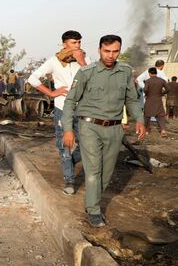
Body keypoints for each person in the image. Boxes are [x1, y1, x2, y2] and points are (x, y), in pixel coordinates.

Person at [62, 34, 146, 228]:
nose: (110, 55)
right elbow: (70, 101)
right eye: (106, 51)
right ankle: (93, 209)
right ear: (99, 50)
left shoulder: (125, 72)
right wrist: (68, 129)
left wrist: (139, 119)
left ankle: (92, 201)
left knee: (106, 174)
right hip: (89, 127)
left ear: (119, 51)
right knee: (93, 172)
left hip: (115, 129)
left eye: (115, 51)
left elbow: (132, 99)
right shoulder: (86, 72)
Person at [27, 30, 89, 195]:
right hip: (63, 108)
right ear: (64, 44)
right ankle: (69, 179)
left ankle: (68, 161)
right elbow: (33, 78)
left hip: (83, 108)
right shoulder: (54, 61)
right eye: (73, 43)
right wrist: (51, 93)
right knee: (65, 146)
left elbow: (94, 79)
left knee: (87, 144)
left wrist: (81, 61)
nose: (77, 46)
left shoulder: (85, 60)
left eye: (78, 43)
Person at [143, 68, 168, 137]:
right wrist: (161, 93)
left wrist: (147, 94)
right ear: (156, 73)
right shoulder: (162, 80)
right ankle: (163, 130)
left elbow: (145, 89)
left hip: (149, 99)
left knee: (147, 115)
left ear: (150, 73)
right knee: (160, 115)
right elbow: (168, 89)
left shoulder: (148, 81)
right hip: (158, 99)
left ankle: (146, 130)